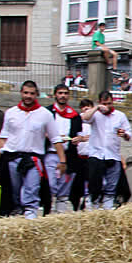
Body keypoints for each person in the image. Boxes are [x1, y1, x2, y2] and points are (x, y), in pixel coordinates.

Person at [0, 81, 67, 219]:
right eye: (26, 93)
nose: (28, 96)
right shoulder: (11, 113)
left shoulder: (45, 114)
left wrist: (62, 160)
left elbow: (55, 139)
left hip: (33, 158)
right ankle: (17, 215)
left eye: (32, 93)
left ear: (36, 94)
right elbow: (3, 138)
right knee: (15, 192)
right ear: (21, 93)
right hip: (12, 157)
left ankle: (30, 217)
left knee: (31, 190)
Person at [80, 91, 131, 210]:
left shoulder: (120, 116)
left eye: (109, 103)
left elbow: (129, 135)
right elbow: (83, 118)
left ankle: (108, 209)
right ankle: (93, 207)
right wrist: (96, 108)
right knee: (95, 185)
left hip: (113, 155)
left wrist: (124, 134)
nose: (107, 106)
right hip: (96, 154)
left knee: (111, 187)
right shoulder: (95, 115)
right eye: (104, 104)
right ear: (99, 102)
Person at [45, 84, 83, 214]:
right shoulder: (47, 112)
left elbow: (78, 134)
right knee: (50, 184)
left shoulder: (74, 116)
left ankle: (60, 212)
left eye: (65, 93)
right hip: (51, 153)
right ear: (55, 94)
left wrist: (78, 139)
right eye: (60, 93)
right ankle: (47, 209)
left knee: (64, 186)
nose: (63, 96)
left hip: (69, 154)